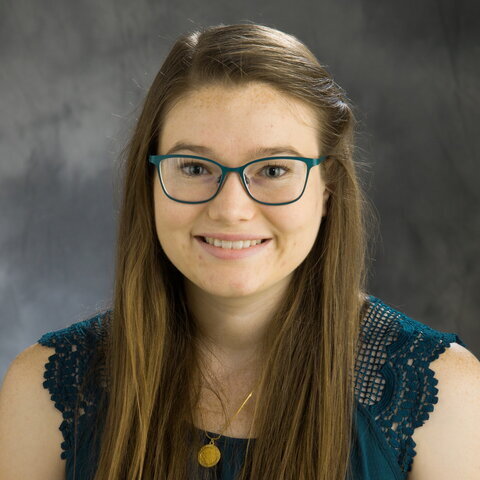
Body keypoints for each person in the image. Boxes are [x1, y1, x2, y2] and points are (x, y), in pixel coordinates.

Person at [0, 22, 479, 480]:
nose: (231, 210)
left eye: (273, 170)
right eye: (193, 167)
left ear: (327, 186)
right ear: (151, 183)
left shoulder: (443, 397)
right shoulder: (44, 390)